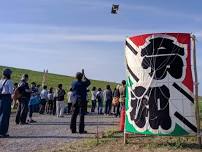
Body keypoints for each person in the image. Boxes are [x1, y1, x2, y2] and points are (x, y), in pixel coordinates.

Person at [0, 68, 14, 137]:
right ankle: (3, 132)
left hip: (1, 98)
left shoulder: (0, 81)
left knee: (0, 114)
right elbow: (11, 91)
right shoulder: (9, 81)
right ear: (8, 74)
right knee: (5, 116)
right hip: (6, 98)